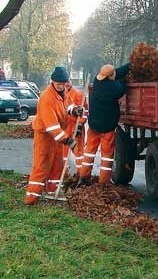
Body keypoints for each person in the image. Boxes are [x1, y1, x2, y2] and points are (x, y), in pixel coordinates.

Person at [24, 66, 83, 205]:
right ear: (53, 82)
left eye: (63, 84)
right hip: (45, 135)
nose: (61, 86)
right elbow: (51, 126)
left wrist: (75, 110)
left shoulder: (63, 93)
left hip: (57, 136)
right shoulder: (46, 98)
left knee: (57, 163)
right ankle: (32, 198)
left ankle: (53, 192)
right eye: (59, 84)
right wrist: (67, 140)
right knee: (42, 165)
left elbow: (67, 106)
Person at [78, 63, 130, 186]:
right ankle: (103, 183)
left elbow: (114, 74)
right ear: (111, 76)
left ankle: (83, 178)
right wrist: (125, 81)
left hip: (94, 126)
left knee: (89, 151)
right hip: (107, 127)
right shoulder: (114, 88)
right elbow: (122, 88)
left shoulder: (97, 81)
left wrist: (128, 67)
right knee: (106, 156)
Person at [62, 79, 88, 175]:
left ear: (71, 81)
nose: (66, 84)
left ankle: (80, 174)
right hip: (65, 127)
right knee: (63, 153)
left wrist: (80, 124)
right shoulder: (61, 95)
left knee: (78, 152)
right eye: (64, 83)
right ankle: (65, 174)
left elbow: (85, 111)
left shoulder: (79, 94)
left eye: (68, 82)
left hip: (76, 126)